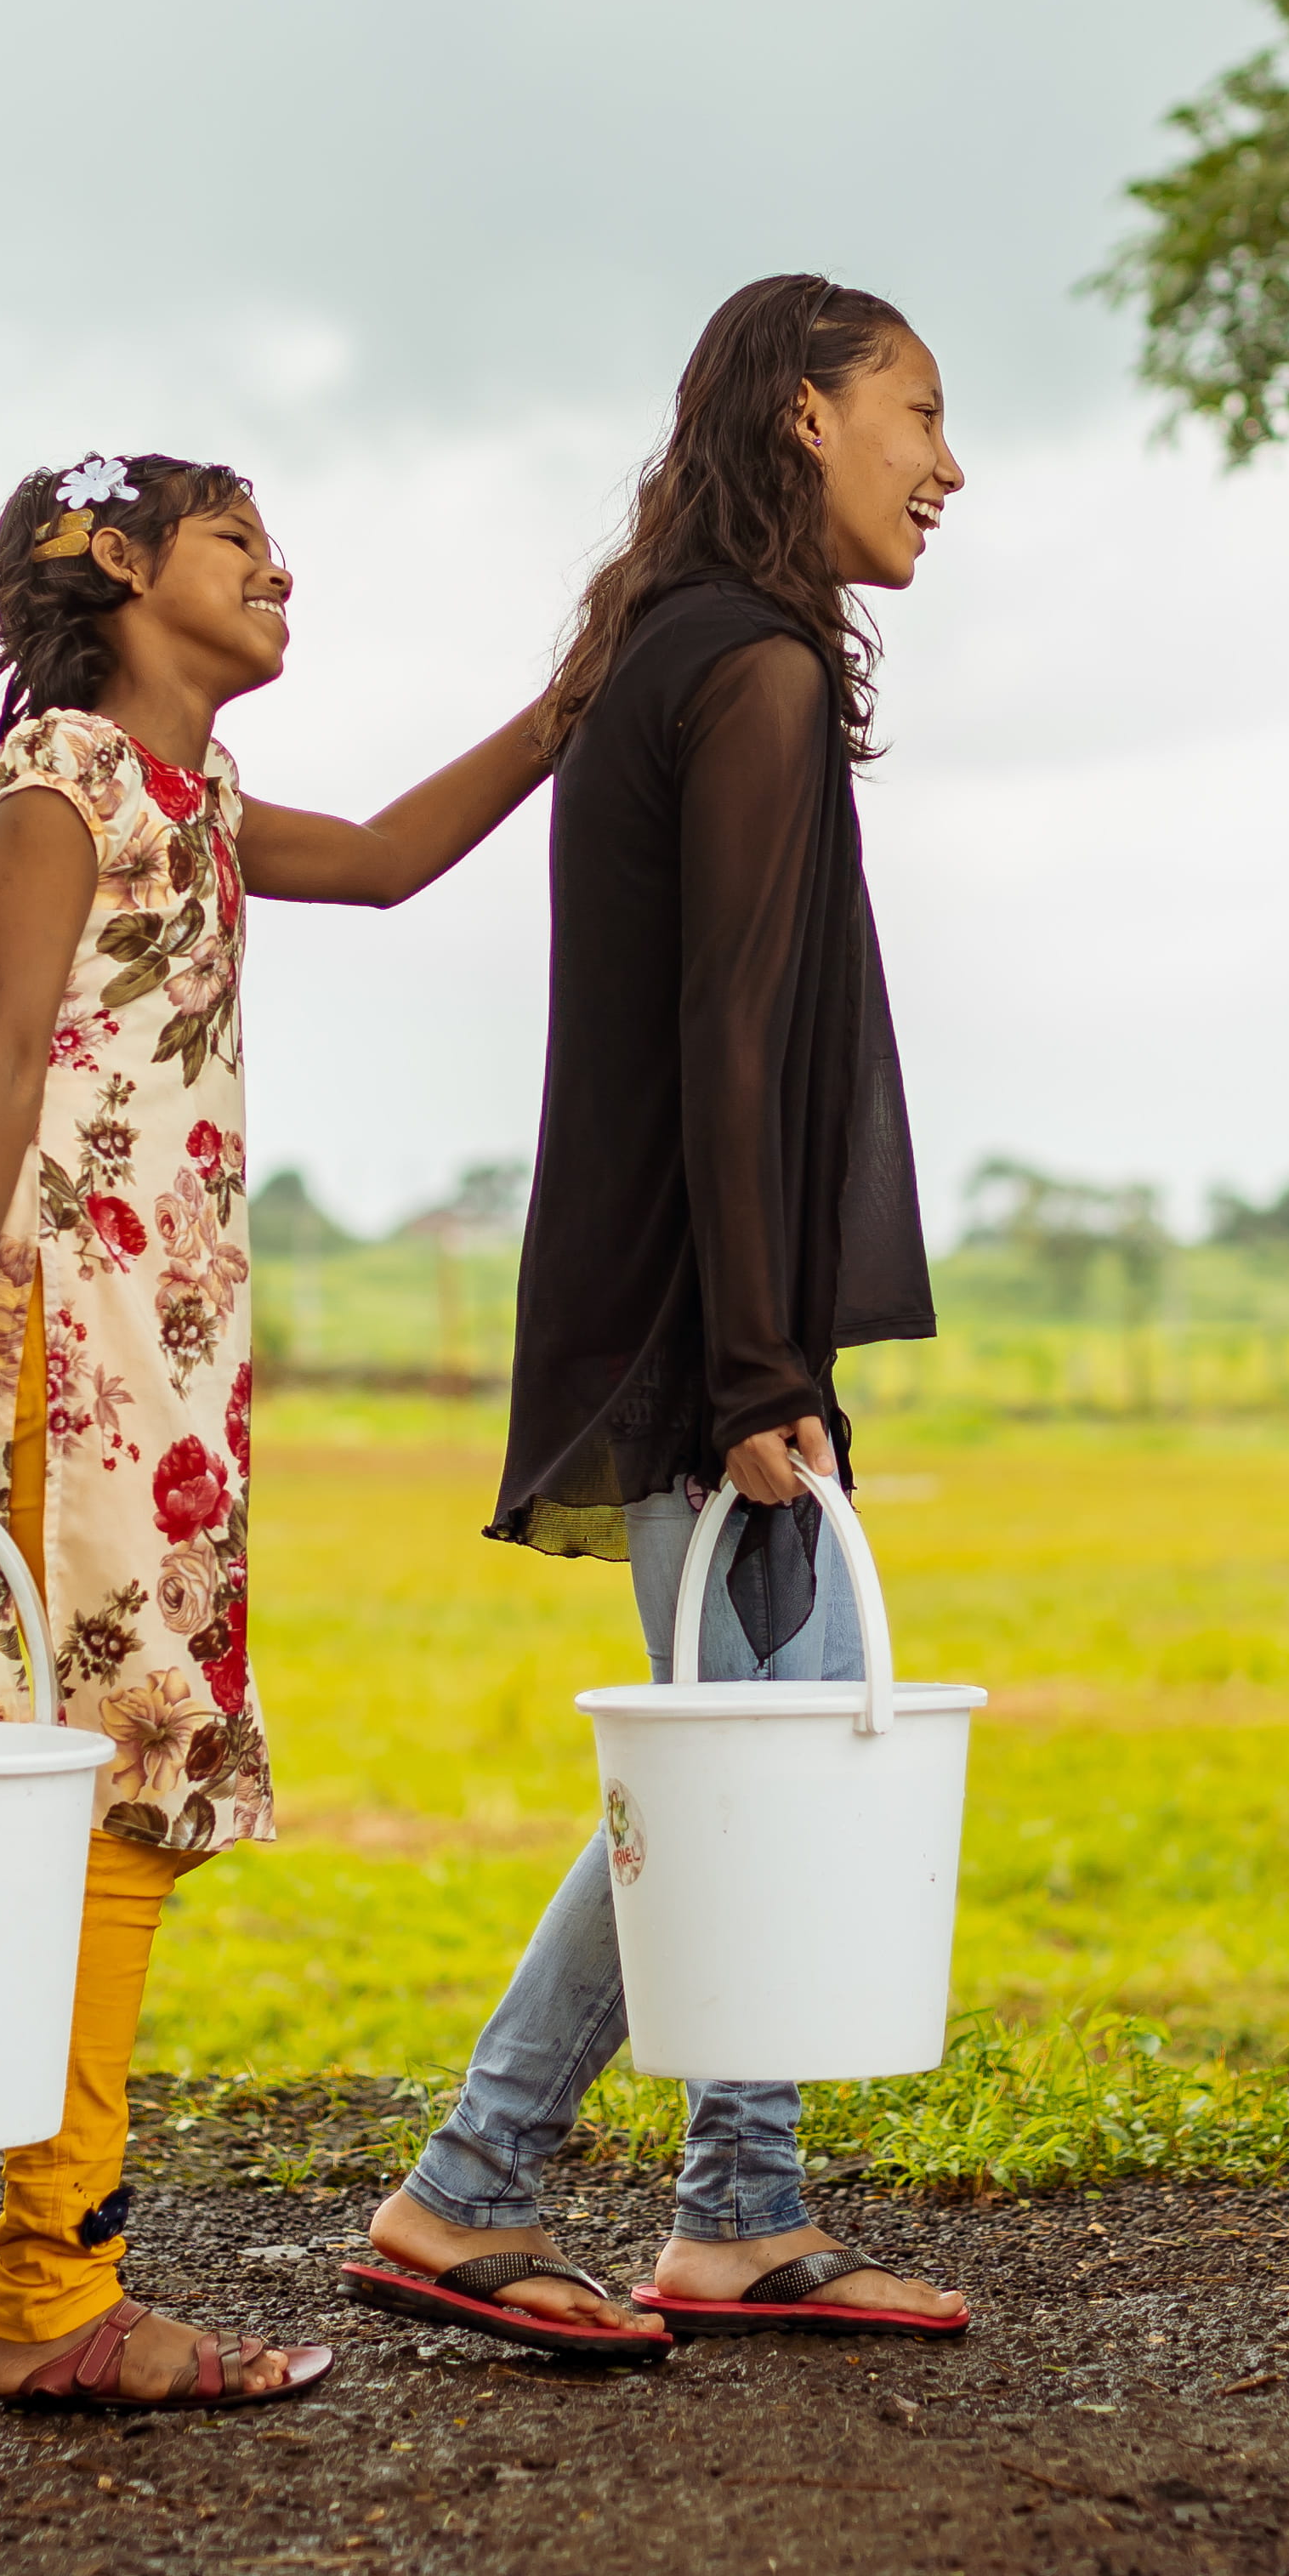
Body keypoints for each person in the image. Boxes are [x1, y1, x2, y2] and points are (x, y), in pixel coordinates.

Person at [0, 452, 559, 2410]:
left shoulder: (201, 797)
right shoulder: (59, 781)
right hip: (46, 1338)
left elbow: (396, 856)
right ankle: (55, 2286)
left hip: (155, 1344)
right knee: (114, 1786)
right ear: (127, 567)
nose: (281, 566)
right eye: (240, 539)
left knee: (28, 1776)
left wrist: (577, 689)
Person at [340, 275, 973, 2364]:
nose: (948, 465)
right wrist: (763, 1367)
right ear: (804, 415)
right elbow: (728, 1030)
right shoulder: (752, 664)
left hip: (699, 1303)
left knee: (767, 1753)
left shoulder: (676, 648)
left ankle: (743, 2212)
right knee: (740, 1773)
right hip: (707, 1327)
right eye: (918, 413)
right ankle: (473, 2183)